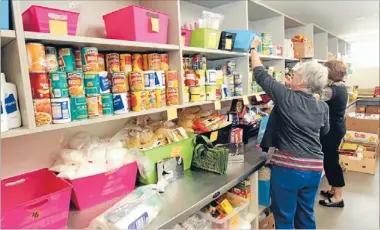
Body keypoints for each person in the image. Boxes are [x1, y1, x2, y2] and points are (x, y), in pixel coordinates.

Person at [250, 37, 330, 229]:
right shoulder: (322, 107)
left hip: (289, 170)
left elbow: (261, 75)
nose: (291, 76)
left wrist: (253, 49)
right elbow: (324, 132)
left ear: (301, 80)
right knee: (306, 216)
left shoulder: (286, 98)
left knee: (285, 219)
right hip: (314, 169)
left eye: (294, 74)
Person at [318, 60, 348, 208]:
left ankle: (338, 197)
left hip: (332, 130)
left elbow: (313, 99)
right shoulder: (341, 87)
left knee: (331, 162)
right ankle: (333, 190)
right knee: (330, 160)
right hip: (337, 128)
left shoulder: (331, 91)